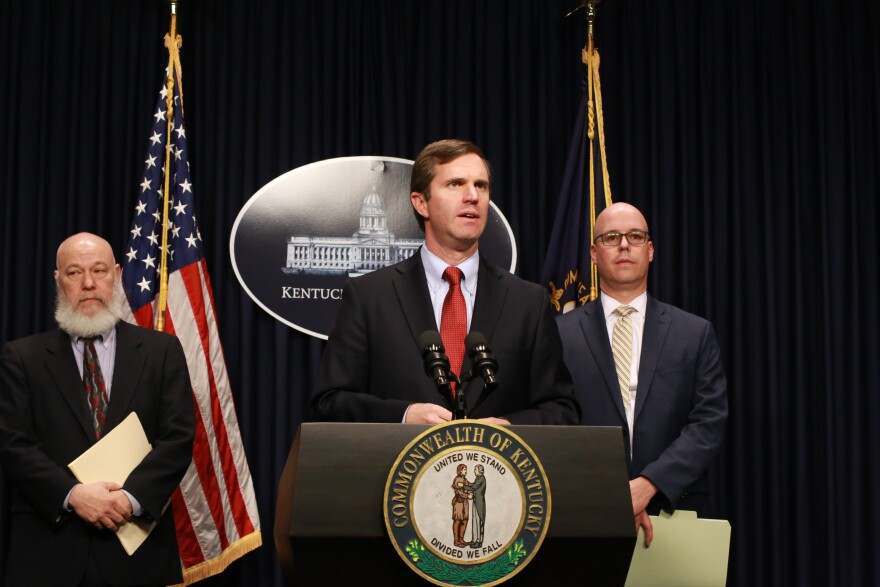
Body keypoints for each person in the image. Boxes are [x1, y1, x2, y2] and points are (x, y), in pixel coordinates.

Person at [311, 139, 579, 425]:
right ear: (421, 203)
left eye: (481, 185)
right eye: (455, 184)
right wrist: (403, 415)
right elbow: (331, 401)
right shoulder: (369, 297)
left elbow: (562, 409)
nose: (472, 196)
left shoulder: (528, 302)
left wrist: (509, 430)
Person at [0, 233, 195, 587]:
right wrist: (73, 495)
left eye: (99, 270)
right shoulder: (20, 358)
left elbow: (178, 439)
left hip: (137, 552)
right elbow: (13, 445)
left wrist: (129, 499)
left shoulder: (161, 351)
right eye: (74, 273)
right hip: (47, 554)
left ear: (117, 274)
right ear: (58, 279)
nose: (88, 283)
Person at [556, 203, 727, 546]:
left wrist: (650, 485)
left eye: (635, 236)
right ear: (593, 252)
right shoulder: (558, 333)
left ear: (650, 251)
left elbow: (708, 422)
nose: (623, 245)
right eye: (611, 237)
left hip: (674, 511)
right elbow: (553, 420)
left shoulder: (693, 333)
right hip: (585, 516)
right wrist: (611, 496)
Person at [451, 464, 472, 547]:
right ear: (460, 470)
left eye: (466, 469)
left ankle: (461, 539)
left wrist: (476, 484)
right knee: (457, 521)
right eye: (464, 469)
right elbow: (458, 492)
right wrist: (467, 496)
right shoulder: (457, 479)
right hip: (458, 503)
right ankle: (456, 541)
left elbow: (469, 485)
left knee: (464, 521)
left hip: (465, 503)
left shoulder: (465, 479)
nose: (466, 471)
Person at [468, 464, 486, 548]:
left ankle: (479, 542)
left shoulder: (481, 478)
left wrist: (463, 486)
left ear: (479, 470)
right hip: (475, 501)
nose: (474, 471)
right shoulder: (478, 478)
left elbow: (473, 487)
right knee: (474, 520)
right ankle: (474, 539)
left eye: (475, 469)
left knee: (478, 522)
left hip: (479, 503)